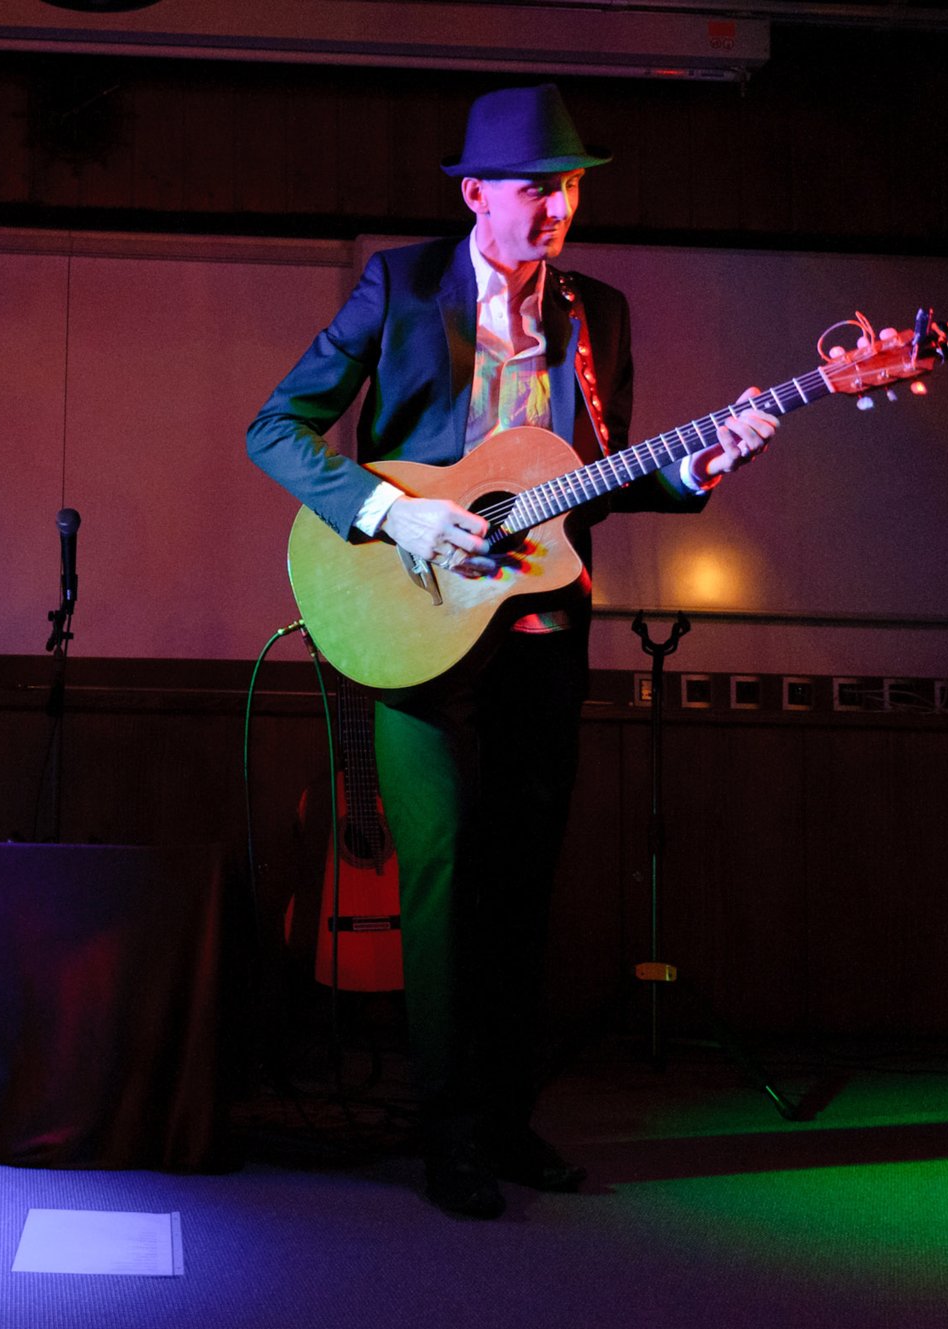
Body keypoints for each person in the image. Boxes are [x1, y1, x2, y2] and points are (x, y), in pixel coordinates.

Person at [247, 85, 777, 1219]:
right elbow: (274, 429)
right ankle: (445, 1133)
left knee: (520, 886)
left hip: (544, 632)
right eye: (535, 188)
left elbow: (600, 481)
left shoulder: (601, 313)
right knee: (436, 887)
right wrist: (396, 514)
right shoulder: (399, 286)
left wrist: (701, 468)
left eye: (570, 187)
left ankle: (502, 1118)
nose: (555, 209)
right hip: (415, 626)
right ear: (475, 193)